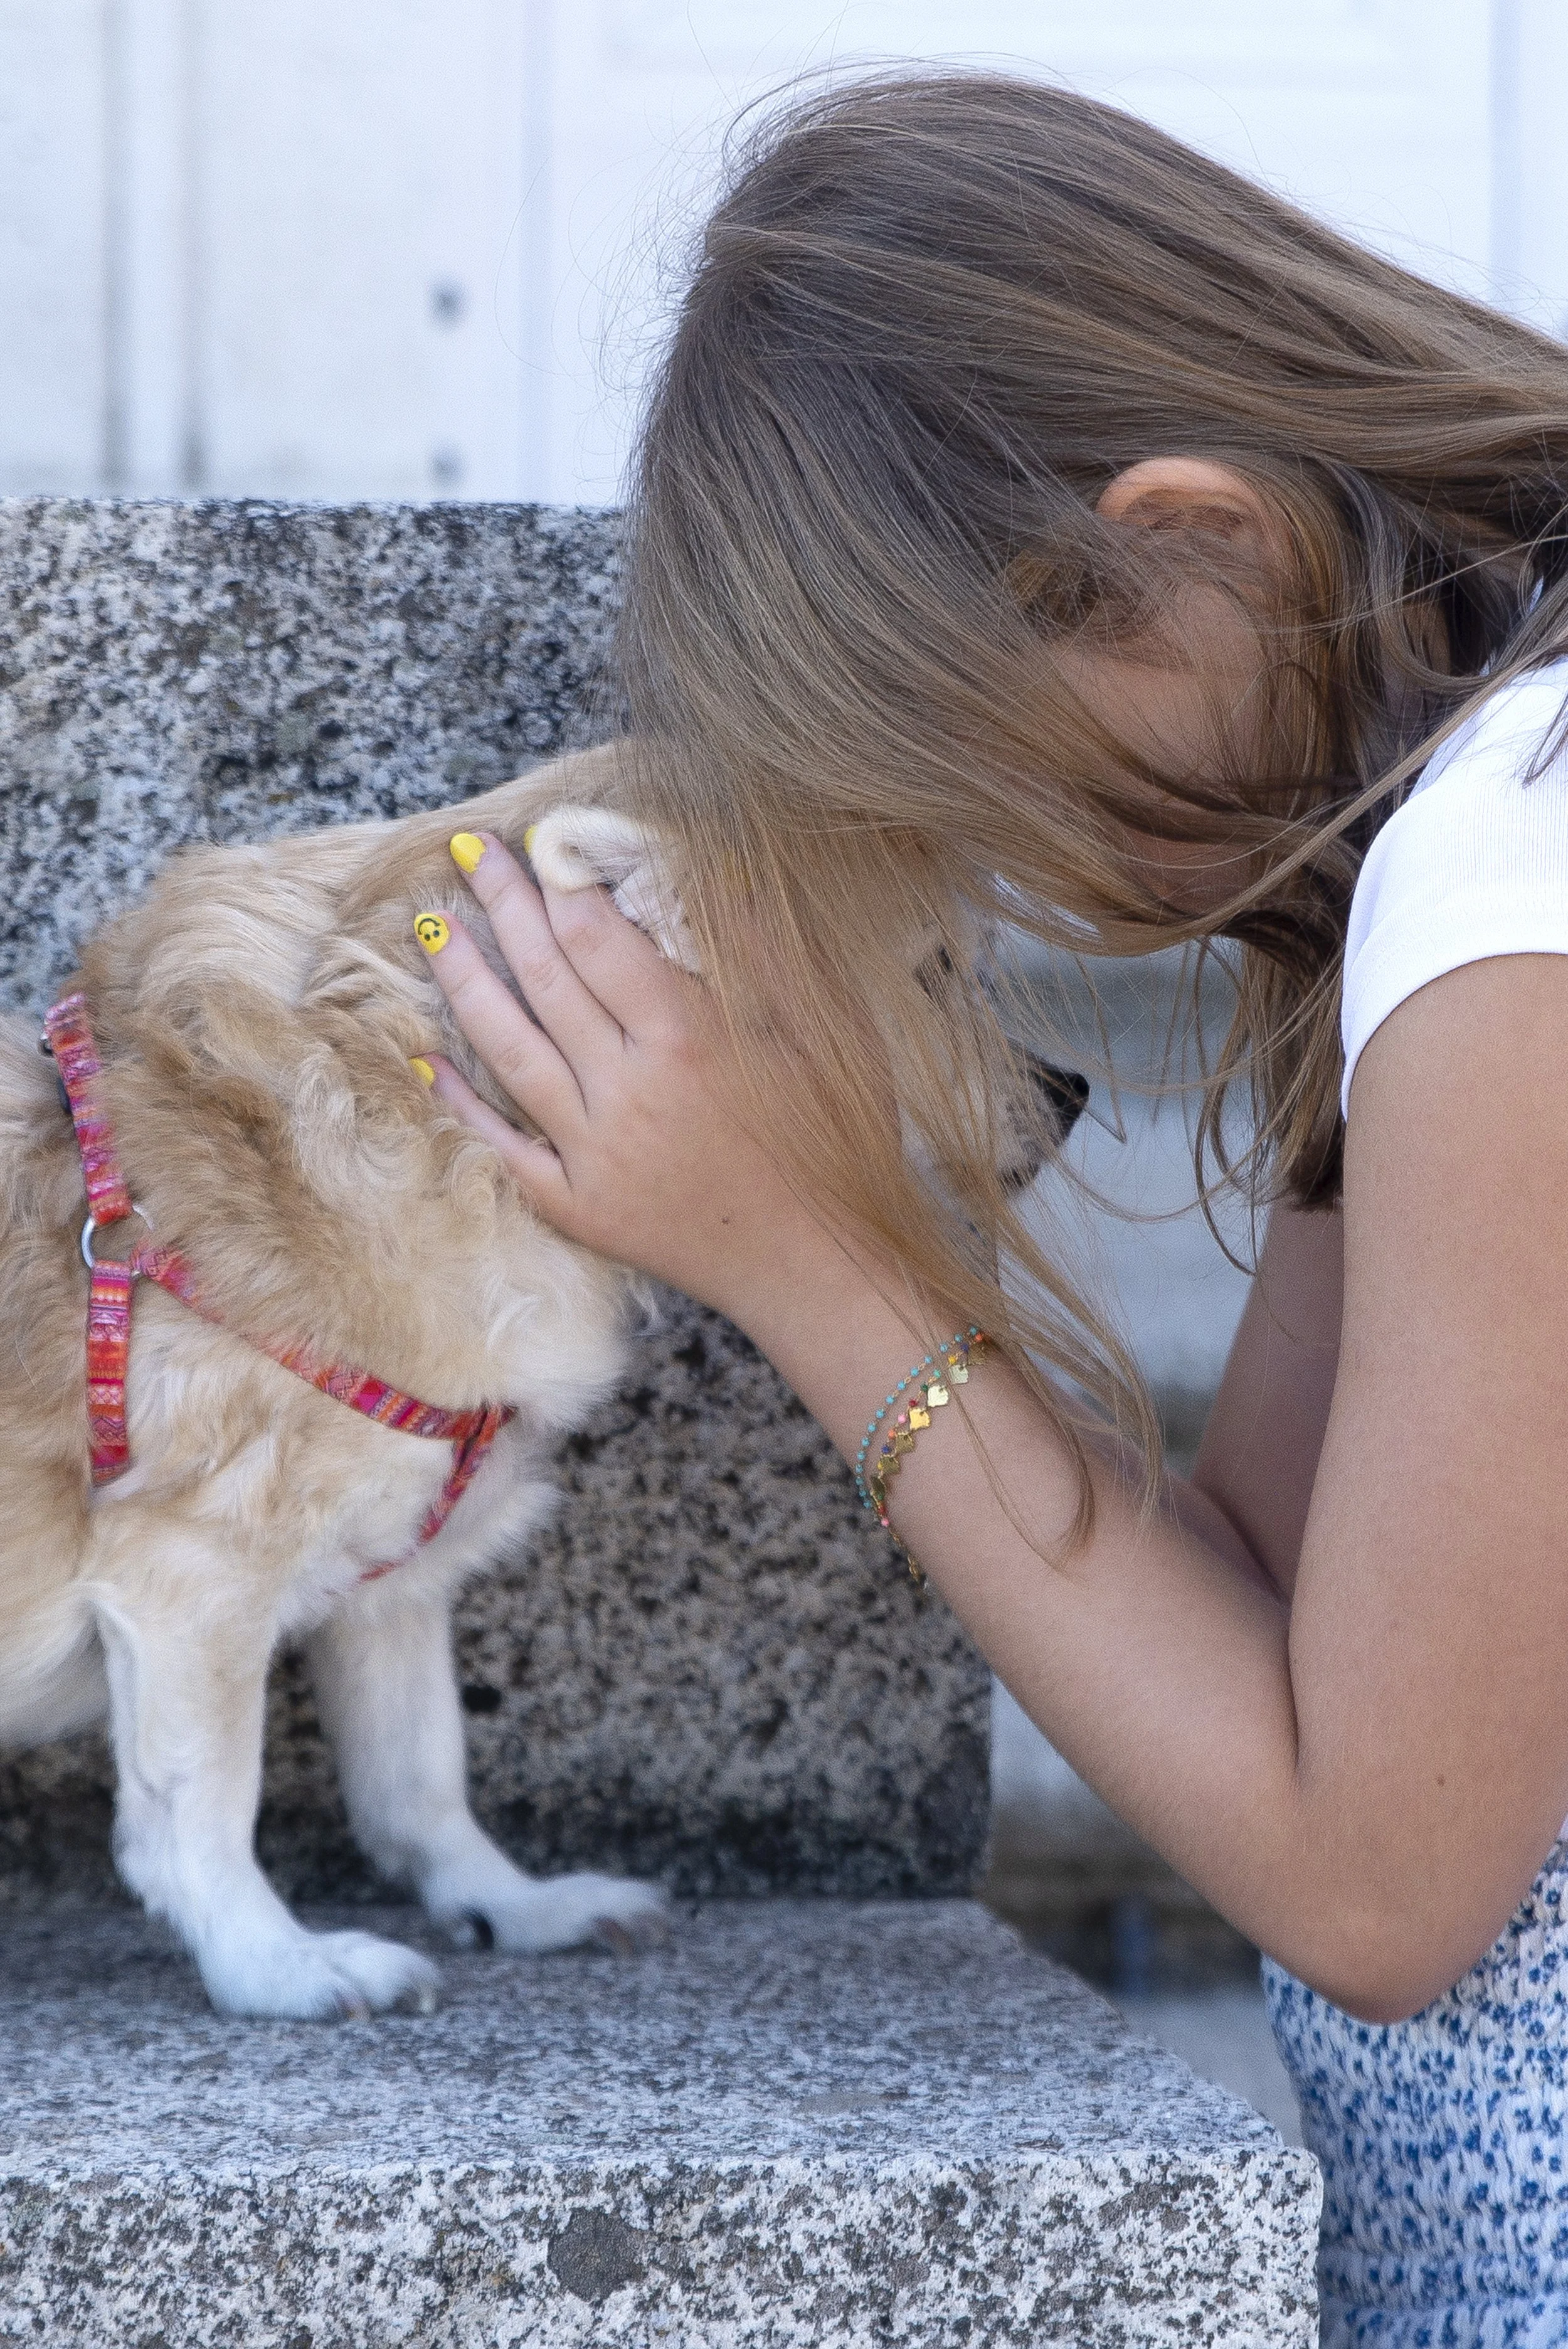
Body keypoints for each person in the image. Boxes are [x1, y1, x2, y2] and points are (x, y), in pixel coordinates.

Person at [416, 75, 1568, 2345]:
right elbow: (1245, 1580)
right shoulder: (1445, 847)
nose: (1037, 881)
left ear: (1200, 541)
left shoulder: (1510, 870)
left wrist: (799, 1262)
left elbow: (1375, 1873)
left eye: (978, 771)